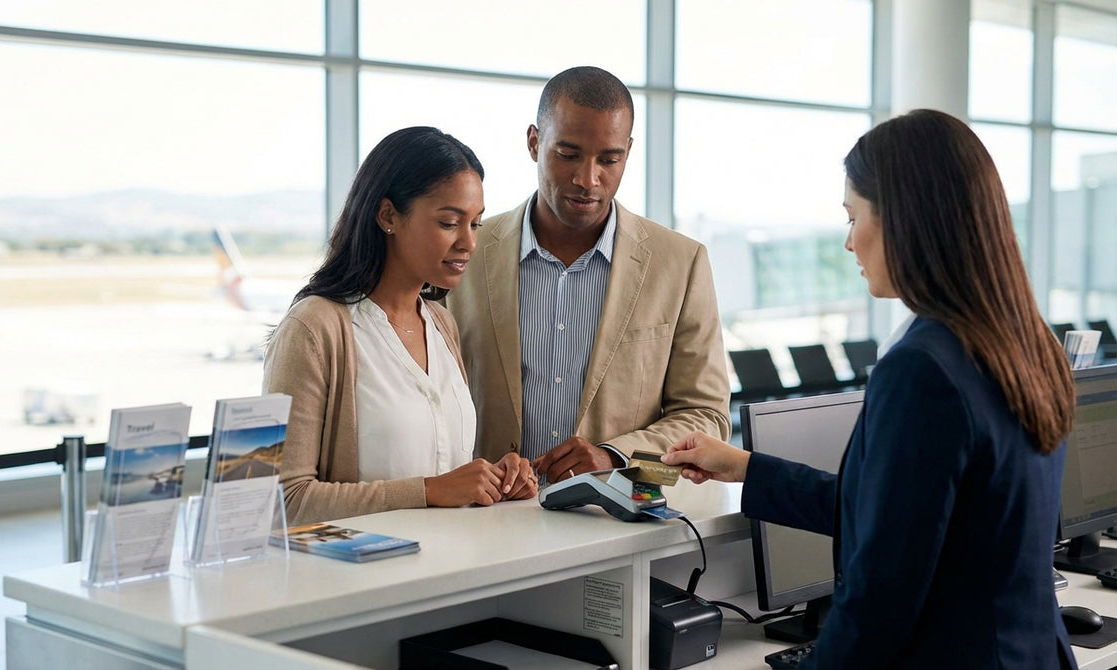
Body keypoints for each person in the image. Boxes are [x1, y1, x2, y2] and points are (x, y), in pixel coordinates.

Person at [663, 109, 1078, 669]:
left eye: (852, 216)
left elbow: (877, 602)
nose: (848, 242)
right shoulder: (1026, 344)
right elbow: (904, 515)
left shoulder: (924, 370)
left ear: (904, 220)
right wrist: (746, 467)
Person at [445, 66, 731, 483]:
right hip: (482, 522)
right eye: (568, 155)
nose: (588, 179)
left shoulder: (681, 263)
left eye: (609, 159)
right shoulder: (463, 253)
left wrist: (615, 456)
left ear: (627, 153)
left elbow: (707, 417)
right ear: (533, 142)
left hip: (615, 522)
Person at [263, 126, 537, 525]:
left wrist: (495, 481)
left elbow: (441, 468)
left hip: (459, 574)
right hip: (369, 583)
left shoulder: (442, 323)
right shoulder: (314, 329)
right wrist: (429, 490)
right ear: (388, 215)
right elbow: (284, 501)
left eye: (475, 224)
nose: (468, 243)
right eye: (449, 223)